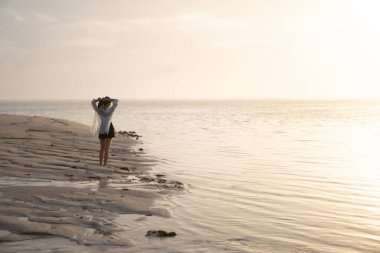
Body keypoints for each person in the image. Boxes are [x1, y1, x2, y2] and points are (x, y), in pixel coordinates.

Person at [91, 96, 119, 166]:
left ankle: (100, 164)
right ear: (109, 103)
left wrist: (99, 99)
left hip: (102, 129)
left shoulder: (99, 110)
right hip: (110, 128)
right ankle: (104, 165)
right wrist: (110, 99)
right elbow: (116, 101)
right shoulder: (111, 109)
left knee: (102, 148)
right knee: (107, 149)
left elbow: (93, 102)